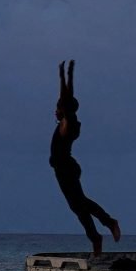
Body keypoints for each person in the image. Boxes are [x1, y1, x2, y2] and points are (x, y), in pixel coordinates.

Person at [50, 59, 121, 254]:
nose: (54, 111)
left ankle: (108, 223)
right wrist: (65, 77)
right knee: (78, 206)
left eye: (58, 109)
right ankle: (96, 238)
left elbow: (66, 101)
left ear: (64, 111)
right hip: (64, 169)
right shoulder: (67, 122)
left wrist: (66, 78)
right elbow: (65, 100)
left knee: (80, 203)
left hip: (66, 169)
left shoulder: (68, 124)